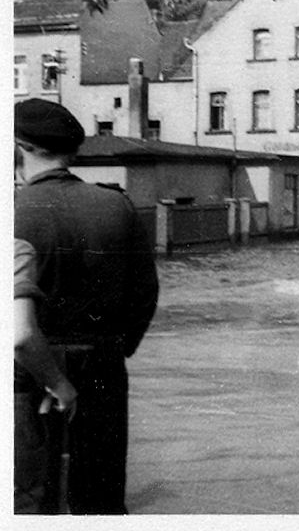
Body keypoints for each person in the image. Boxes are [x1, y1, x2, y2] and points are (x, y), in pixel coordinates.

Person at [14, 98, 160, 514]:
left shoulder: (14, 213)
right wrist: (110, 350)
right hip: (102, 369)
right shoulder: (117, 207)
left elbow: (17, 331)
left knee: (28, 501)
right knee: (101, 500)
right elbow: (144, 295)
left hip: (26, 378)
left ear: (18, 148)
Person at [14, 237, 78, 514]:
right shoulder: (15, 249)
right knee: (25, 506)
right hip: (14, 401)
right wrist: (60, 384)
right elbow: (21, 335)